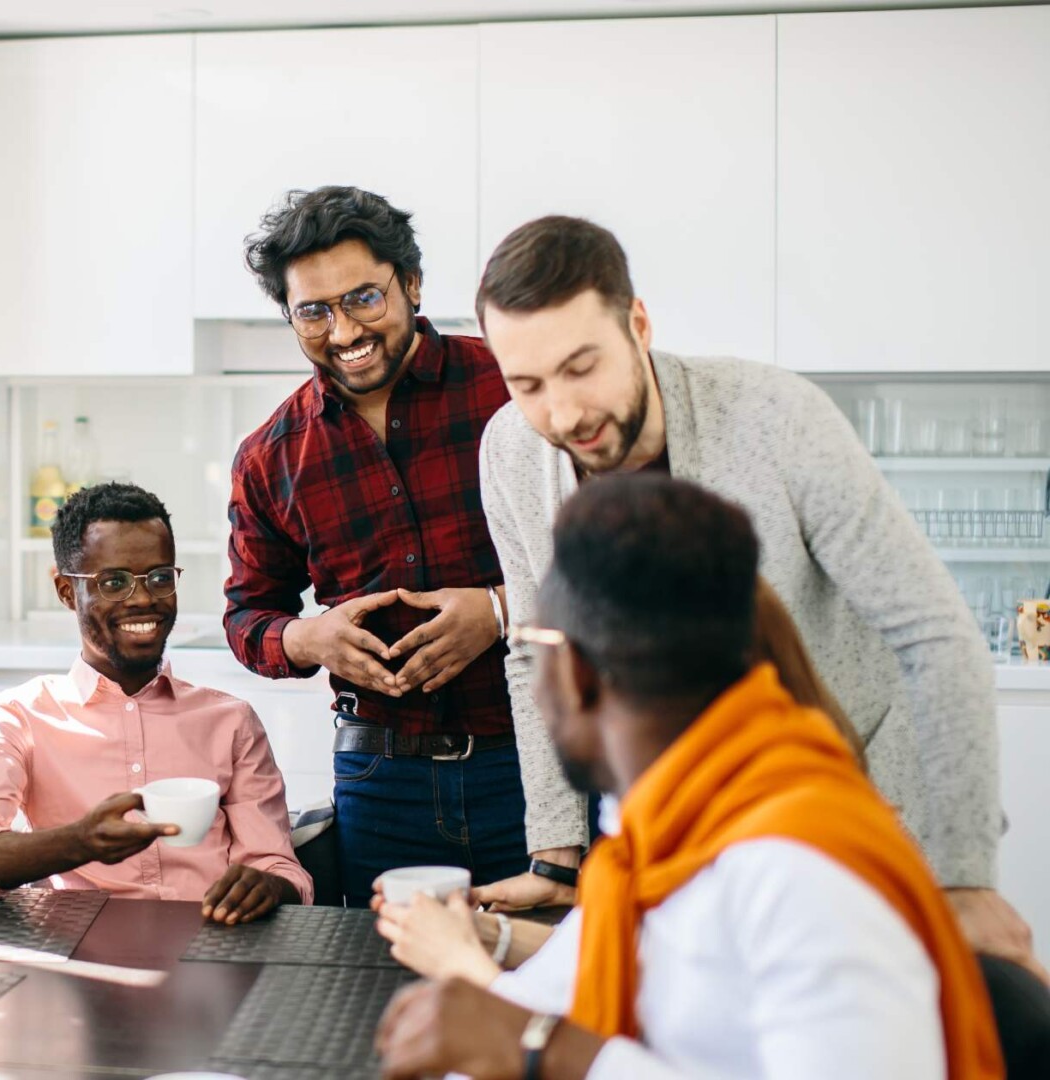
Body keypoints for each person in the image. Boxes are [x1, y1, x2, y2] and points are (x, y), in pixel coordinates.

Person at [470, 214, 1038, 977]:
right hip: (670, 818)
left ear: (637, 325)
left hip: (849, 795)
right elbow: (533, 646)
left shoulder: (776, 417)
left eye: (582, 367)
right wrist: (559, 852)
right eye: (528, 383)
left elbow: (932, 632)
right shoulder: (509, 450)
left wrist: (962, 875)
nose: (563, 413)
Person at [375, 474, 1002, 1080]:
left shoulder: (801, 872)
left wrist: (547, 1049)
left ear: (578, 676)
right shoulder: (658, 834)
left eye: (534, 644)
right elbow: (561, 991)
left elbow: (543, 1033)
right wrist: (486, 946)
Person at [225, 185, 538, 905]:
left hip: (534, 759)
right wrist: (312, 639)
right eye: (314, 311)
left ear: (412, 284)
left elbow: (610, 567)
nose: (342, 331)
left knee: (545, 980)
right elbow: (247, 619)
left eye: (365, 298)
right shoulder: (270, 455)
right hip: (379, 782)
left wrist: (497, 611)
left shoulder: (512, 391)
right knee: (382, 996)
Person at [373, 578, 863, 982]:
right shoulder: (664, 821)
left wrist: (468, 971)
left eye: (550, 653)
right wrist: (488, 938)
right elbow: (639, 961)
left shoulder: (788, 864)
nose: (542, 691)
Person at [0, 483, 311, 922]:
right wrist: (78, 842)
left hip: (215, 946)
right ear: (65, 591)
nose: (142, 599)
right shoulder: (19, 717)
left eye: (158, 578)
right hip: (80, 956)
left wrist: (268, 883)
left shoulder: (231, 721)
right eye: (113, 582)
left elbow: (279, 866)